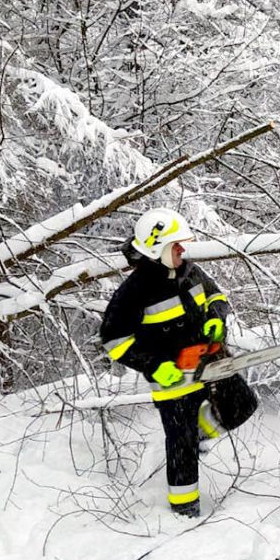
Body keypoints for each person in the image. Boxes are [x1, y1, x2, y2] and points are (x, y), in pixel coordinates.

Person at [100, 207, 234, 518]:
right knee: (181, 444)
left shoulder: (190, 273)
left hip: (206, 364)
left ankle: (202, 432)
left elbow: (217, 298)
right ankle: (185, 509)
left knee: (238, 403)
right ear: (157, 249)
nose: (182, 250)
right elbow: (113, 340)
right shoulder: (134, 291)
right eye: (176, 246)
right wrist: (153, 364)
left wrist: (216, 319)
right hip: (169, 378)